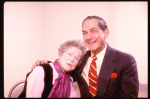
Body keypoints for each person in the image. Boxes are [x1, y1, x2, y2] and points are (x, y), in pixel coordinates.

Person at [31, 16, 139, 98]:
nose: (88, 37)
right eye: (84, 33)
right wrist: (45, 65)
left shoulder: (125, 61)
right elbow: (66, 68)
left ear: (105, 32)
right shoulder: (81, 59)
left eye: (93, 31)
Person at [21, 40, 86, 98]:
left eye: (76, 58)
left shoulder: (71, 79)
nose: (72, 60)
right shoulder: (41, 71)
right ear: (60, 54)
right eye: (69, 54)